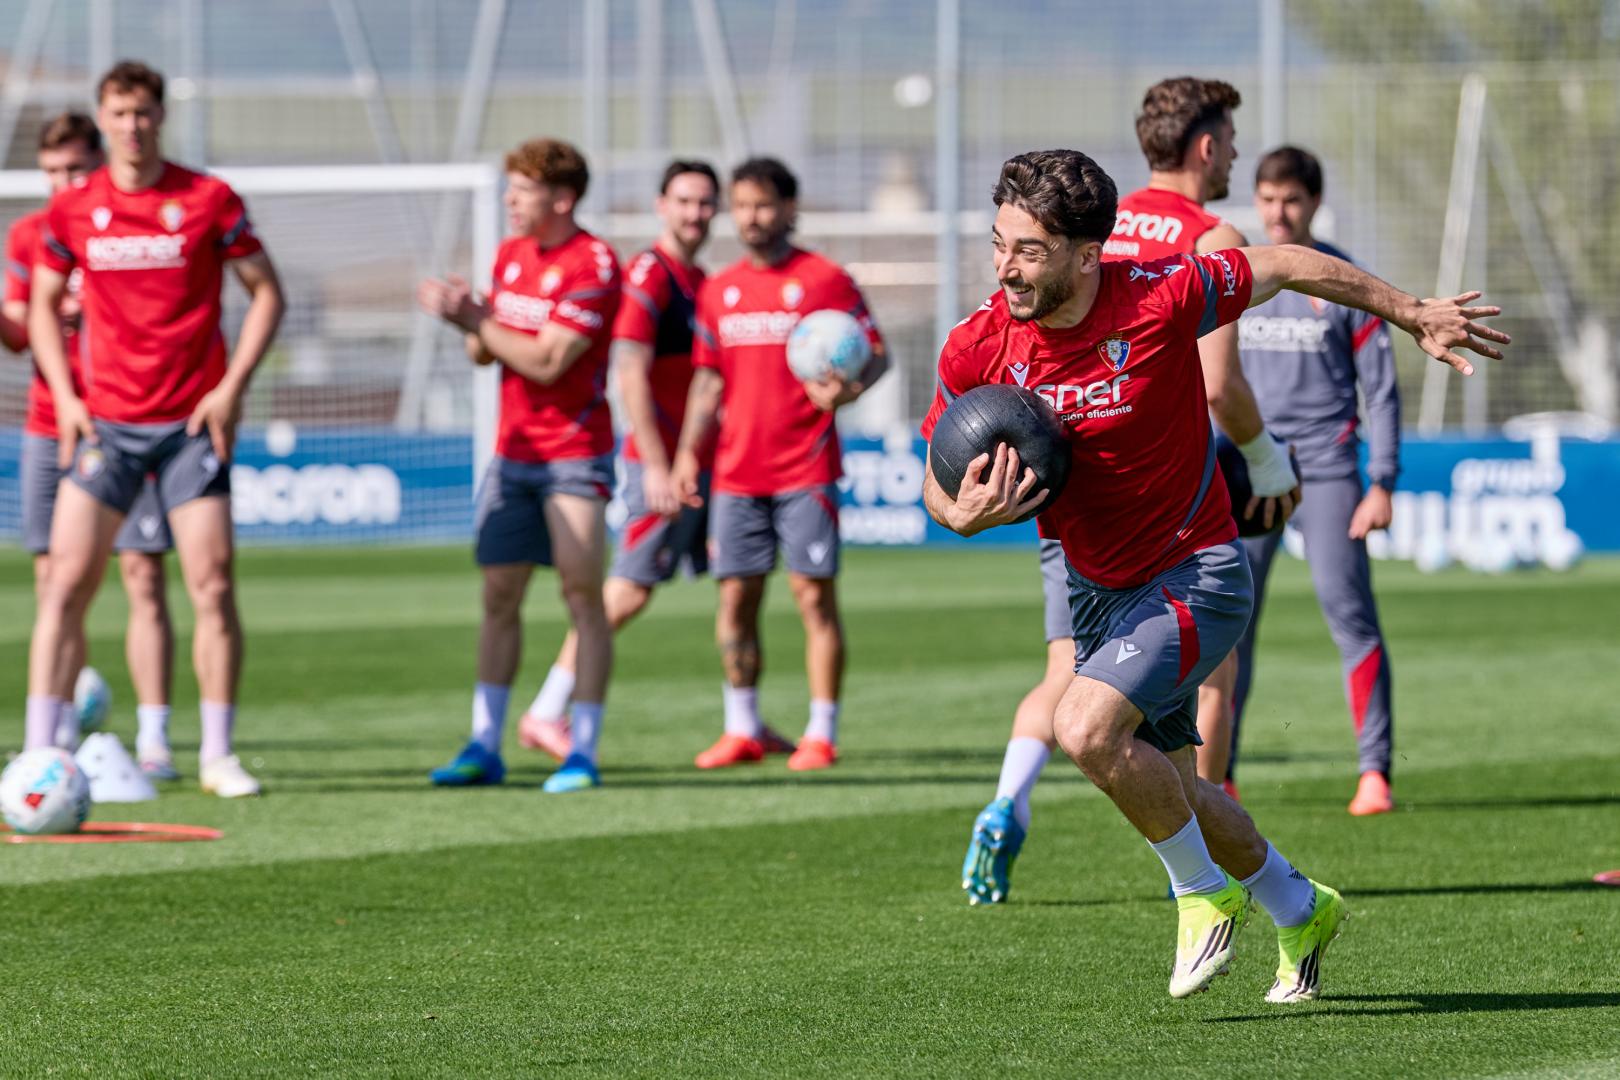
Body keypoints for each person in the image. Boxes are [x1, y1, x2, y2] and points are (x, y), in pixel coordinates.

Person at [923, 148, 1504, 1000]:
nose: (1007, 267)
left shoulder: (1160, 294)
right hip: (1099, 592)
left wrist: (1411, 310)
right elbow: (938, 484)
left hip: (1198, 571)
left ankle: (1201, 896)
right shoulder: (979, 345)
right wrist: (959, 517)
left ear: (1088, 254)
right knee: (1180, 792)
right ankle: (1300, 904)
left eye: (1031, 250)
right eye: (1001, 243)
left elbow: (1292, 264)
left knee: (1083, 728)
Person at [961, 76, 1300, 905]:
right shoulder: (1194, 240)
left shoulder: (1110, 238)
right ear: (1209, 147)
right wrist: (1264, 461)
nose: (1009, 265)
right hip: (1139, 521)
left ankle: (1014, 799)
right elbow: (1218, 386)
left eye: (1024, 249)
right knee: (1185, 704)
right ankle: (1251, 888)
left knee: (1072, 687)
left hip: (1067, 513)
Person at [25, 60, 284, 798]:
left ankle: (216, 754)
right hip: (104, 423)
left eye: (143, 112)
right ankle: (40, 751)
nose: (131, 126)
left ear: (160, 117)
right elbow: (44, 304)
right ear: (101, 119)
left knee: (211, 583)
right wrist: (69, 398)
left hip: (189, 427)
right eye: (118, 113)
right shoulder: (74, 207)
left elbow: (267, 292)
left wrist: (233, 388)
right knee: (66, 585)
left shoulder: (206, 198)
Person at [417, 137, 621, 794]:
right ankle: (483, 743)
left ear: (561, 199)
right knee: (498, 597)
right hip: (514, 455)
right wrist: (465, 321)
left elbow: (547, 360)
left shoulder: (594, 262)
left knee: (582, 598)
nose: (509, 200)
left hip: (573, 457)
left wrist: (478, 319)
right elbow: (490, 355)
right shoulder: (509, 257)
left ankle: (582, 750)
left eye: (522, 189)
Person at [671, 157, 888, 772]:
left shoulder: (825, 280)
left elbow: (876, 354)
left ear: (790, 209)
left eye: (763, 205)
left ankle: (821, 732)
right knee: (734, 599)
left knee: (812, 599)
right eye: (741, 205)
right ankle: (742, 726)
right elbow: (708, 382)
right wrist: (690, 452)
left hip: (806, 468)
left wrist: (848, 391)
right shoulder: (718, 290)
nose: (751, 217)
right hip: (737, 474)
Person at [516, 160, 721, 759]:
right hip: (655, 460)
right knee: (627, 589)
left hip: (692, 458)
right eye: (683, 201)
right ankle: (545, 711)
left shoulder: (695, 277)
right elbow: (627, 369)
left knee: (729, 582)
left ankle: (746, 719)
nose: (695, 213)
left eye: (705, 203)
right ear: (661, 205)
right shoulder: (649, 275)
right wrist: (656, 464)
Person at [6, 111, 180, 775]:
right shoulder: (32, 233)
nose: (62, 183)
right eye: (51, 172)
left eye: (74, 169)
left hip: (125, 423)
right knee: (55, 581)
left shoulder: (126, 222)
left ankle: (156, 738)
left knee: (142, 572)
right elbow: (22, 332)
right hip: (50, 424)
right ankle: (54, 737)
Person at [1231, 146, 1401, 816]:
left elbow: (1381, 394)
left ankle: (1373, 774)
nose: (1278, 212)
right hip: (1248, 469)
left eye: (1291, 200)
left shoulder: (1342, 281)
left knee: (1351, 617)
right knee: (1228, 628)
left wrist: (1381, 481)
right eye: (1268, 199)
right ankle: (1221, 777)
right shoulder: (1236, 277)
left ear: (1314, 203)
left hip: (1329, 472)